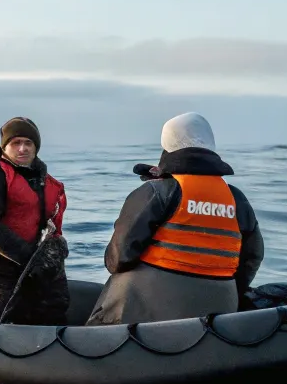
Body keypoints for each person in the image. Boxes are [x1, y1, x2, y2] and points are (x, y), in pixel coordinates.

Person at [87, 113, 265, 325]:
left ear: (166, 145)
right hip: (219, 307)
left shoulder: (157, 191)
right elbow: (253, 256)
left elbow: (119, 258)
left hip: (151, 306)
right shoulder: (236, 198)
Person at [0, 118, 71, 324]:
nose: (22, 149)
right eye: (15, 143)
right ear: (5, 147)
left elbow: (53, 226)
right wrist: (29, 257)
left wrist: (48, 260)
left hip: (29, 266)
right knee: (1, 312)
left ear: (36, 147)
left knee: (56, 304)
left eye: (28, 143)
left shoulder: (45, 181)